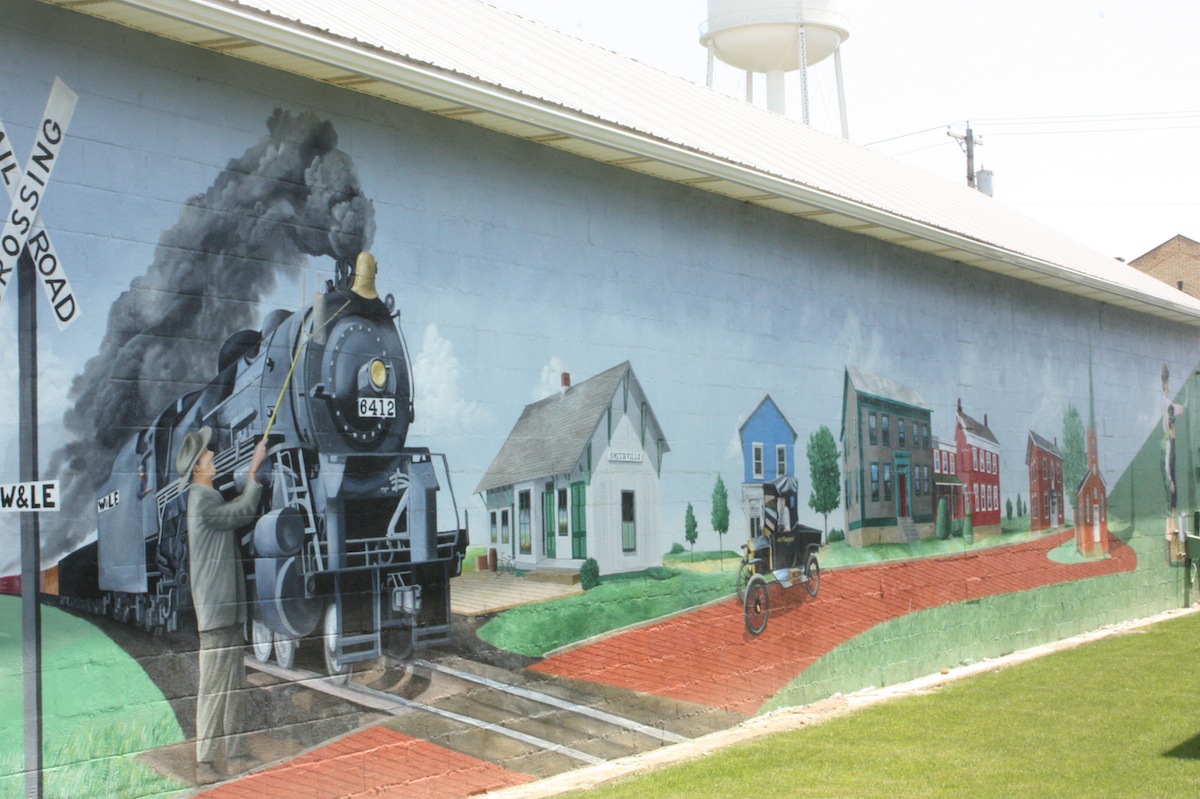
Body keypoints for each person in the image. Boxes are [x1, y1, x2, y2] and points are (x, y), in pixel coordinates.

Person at [176, 426, 268, 784]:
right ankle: (205, 763)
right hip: (216, 611)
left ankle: (238, 753)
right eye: (207, 453)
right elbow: (241, 512)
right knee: (216, 688)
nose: (212, 454)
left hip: (225, 609)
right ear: (198, 468)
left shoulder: (207, 496)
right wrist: (254, 470)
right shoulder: (201, 500)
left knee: (233, 685)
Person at [1162, 365, 1186, 561]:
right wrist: (1170, 479)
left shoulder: (1169, 405)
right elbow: (1166, 462)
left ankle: (1173, 535)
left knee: (1174, 502)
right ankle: (1170, 538)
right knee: (1171, 502)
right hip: (1169, 471)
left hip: (1172, 466)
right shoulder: (1167, 442)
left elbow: (1180, 409)